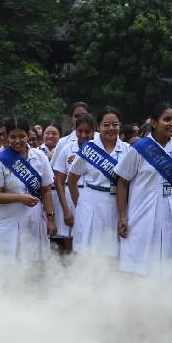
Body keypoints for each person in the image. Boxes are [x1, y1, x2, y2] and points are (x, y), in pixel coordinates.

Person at [115, 102, 172, 275]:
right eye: (167, 119)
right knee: (141, 264)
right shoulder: (139, 149)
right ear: (154, 123)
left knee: (169, 265)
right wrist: (122, 217)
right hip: (143, 213)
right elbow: (122, 181)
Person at [0, 117, 57, 263]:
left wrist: (51, 218)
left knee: (35, 264)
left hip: (35, 218)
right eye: (13, 136)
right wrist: (20, 198)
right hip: (10, 221)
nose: (17, 141)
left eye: (22, 136)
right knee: (11, 265)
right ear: (7, 136)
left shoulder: (40, 157)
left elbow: (46, 191)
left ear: (28, 136)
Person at [67, 106, 128, 258]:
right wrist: (80, 205)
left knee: (112, 252)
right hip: (90, 203)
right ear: (98, 127)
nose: (111, 128)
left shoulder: (128, 150)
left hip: (116, 205)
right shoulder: (89, 149)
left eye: (115, 124)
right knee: (87, 251)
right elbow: (72, 180)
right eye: (106, 125)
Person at [52, 114, 96, 252]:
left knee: (90, 240)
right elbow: (59, 181)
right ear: (75, 130)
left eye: (87, 131)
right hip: (70, 199)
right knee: (70, 242)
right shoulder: (67, 149)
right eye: (80, 131)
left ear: (94, 131)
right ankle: (71, 271)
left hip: (90, 197)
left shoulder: (100, 150)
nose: (83, 135)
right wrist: (66, 210)